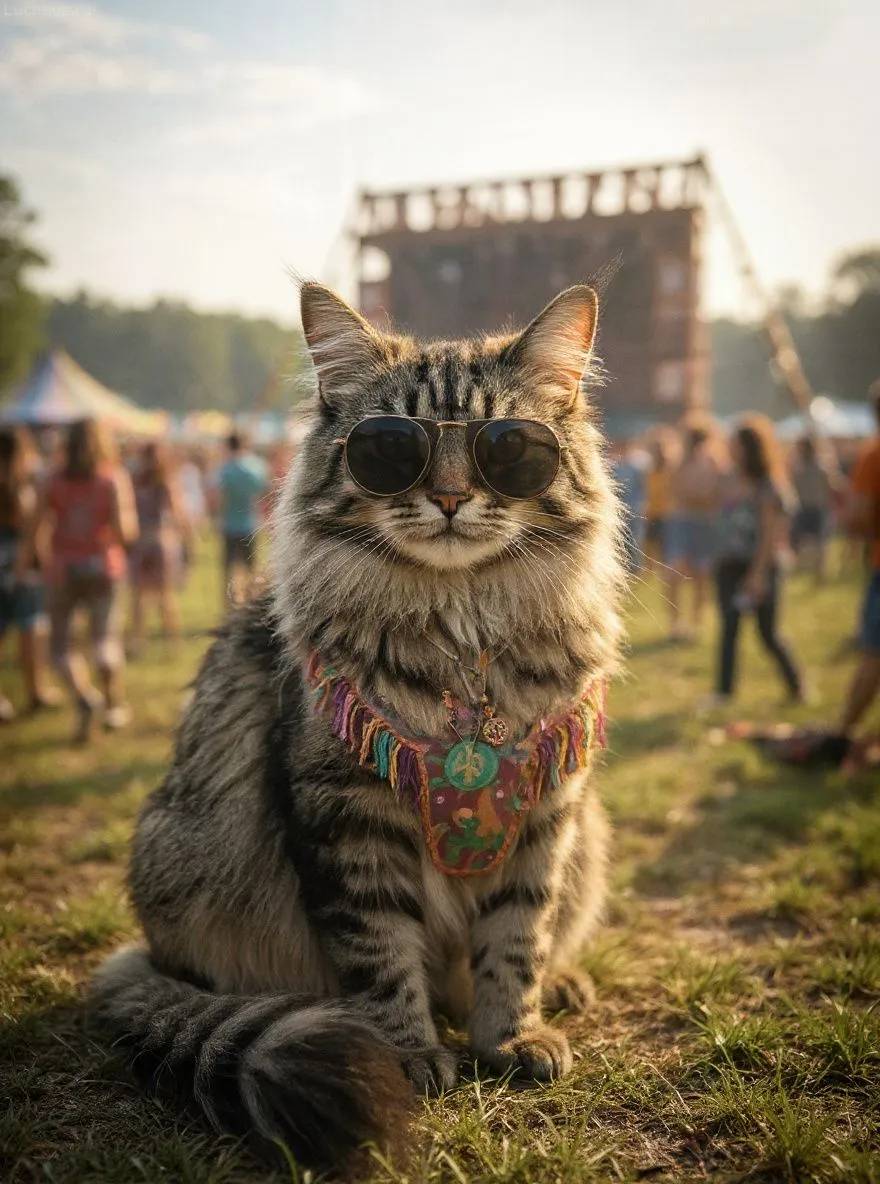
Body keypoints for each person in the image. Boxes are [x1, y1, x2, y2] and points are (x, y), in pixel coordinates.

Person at [27, 419, 138, 743]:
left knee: (61, 645)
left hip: (62, 568)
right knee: (104, 640)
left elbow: (35, 528)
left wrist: (35, 561)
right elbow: (125, 531)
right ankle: (114, 705)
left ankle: (85, 696)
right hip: (103, 566)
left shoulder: (52, 479)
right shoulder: (111, 478)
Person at [709, 415, 805, 705]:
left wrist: (758, 575)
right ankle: (723, 693)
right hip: (728, 564)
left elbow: (769, 536)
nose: (730, 449)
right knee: (728, 628)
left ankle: (797, 687)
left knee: (768, 633)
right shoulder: (728, 478)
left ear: (750, 448)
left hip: (761, 566)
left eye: (735, 445)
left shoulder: (769, 486)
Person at [0, 426, 58, 720]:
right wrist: (44, 563)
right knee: (29, 628)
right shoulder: (23, 485)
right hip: (21, 568)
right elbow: (33, 531)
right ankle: (35, 690)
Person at [666, 422, 725, 640]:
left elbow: (714, 493)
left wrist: (698, 497)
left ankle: (695, 623)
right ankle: (675, 624)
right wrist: (698, 496)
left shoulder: (713, 462)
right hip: (683, 521)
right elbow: (678, 490)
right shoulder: (679, 462)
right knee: (674, 573)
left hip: (703, 523)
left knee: (702, 574)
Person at [129, 442, 189, 651]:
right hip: (163, 540)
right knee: (166, 595)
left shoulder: (134, 481)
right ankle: (172, 641)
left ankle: (138, 640)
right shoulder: (167, 481)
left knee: (138, 595)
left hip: (141, 540)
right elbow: (177, 513)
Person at [213, 432, 269, 604]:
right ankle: (251, 601)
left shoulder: (225, 469)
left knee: (228, 568)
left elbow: (219, 498)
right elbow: (265, 491)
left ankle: (229, 604)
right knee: (251, 567)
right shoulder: (256, 466)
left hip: (229, 523)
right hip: (250, 523)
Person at [790, 435, 836, 580]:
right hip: (803, 507)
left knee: (821, 541)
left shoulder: (821, 466)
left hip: (818, 507)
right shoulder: (798, 467)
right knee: (795, 538)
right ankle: (796, 568)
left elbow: (829, 487)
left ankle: (820, 572)